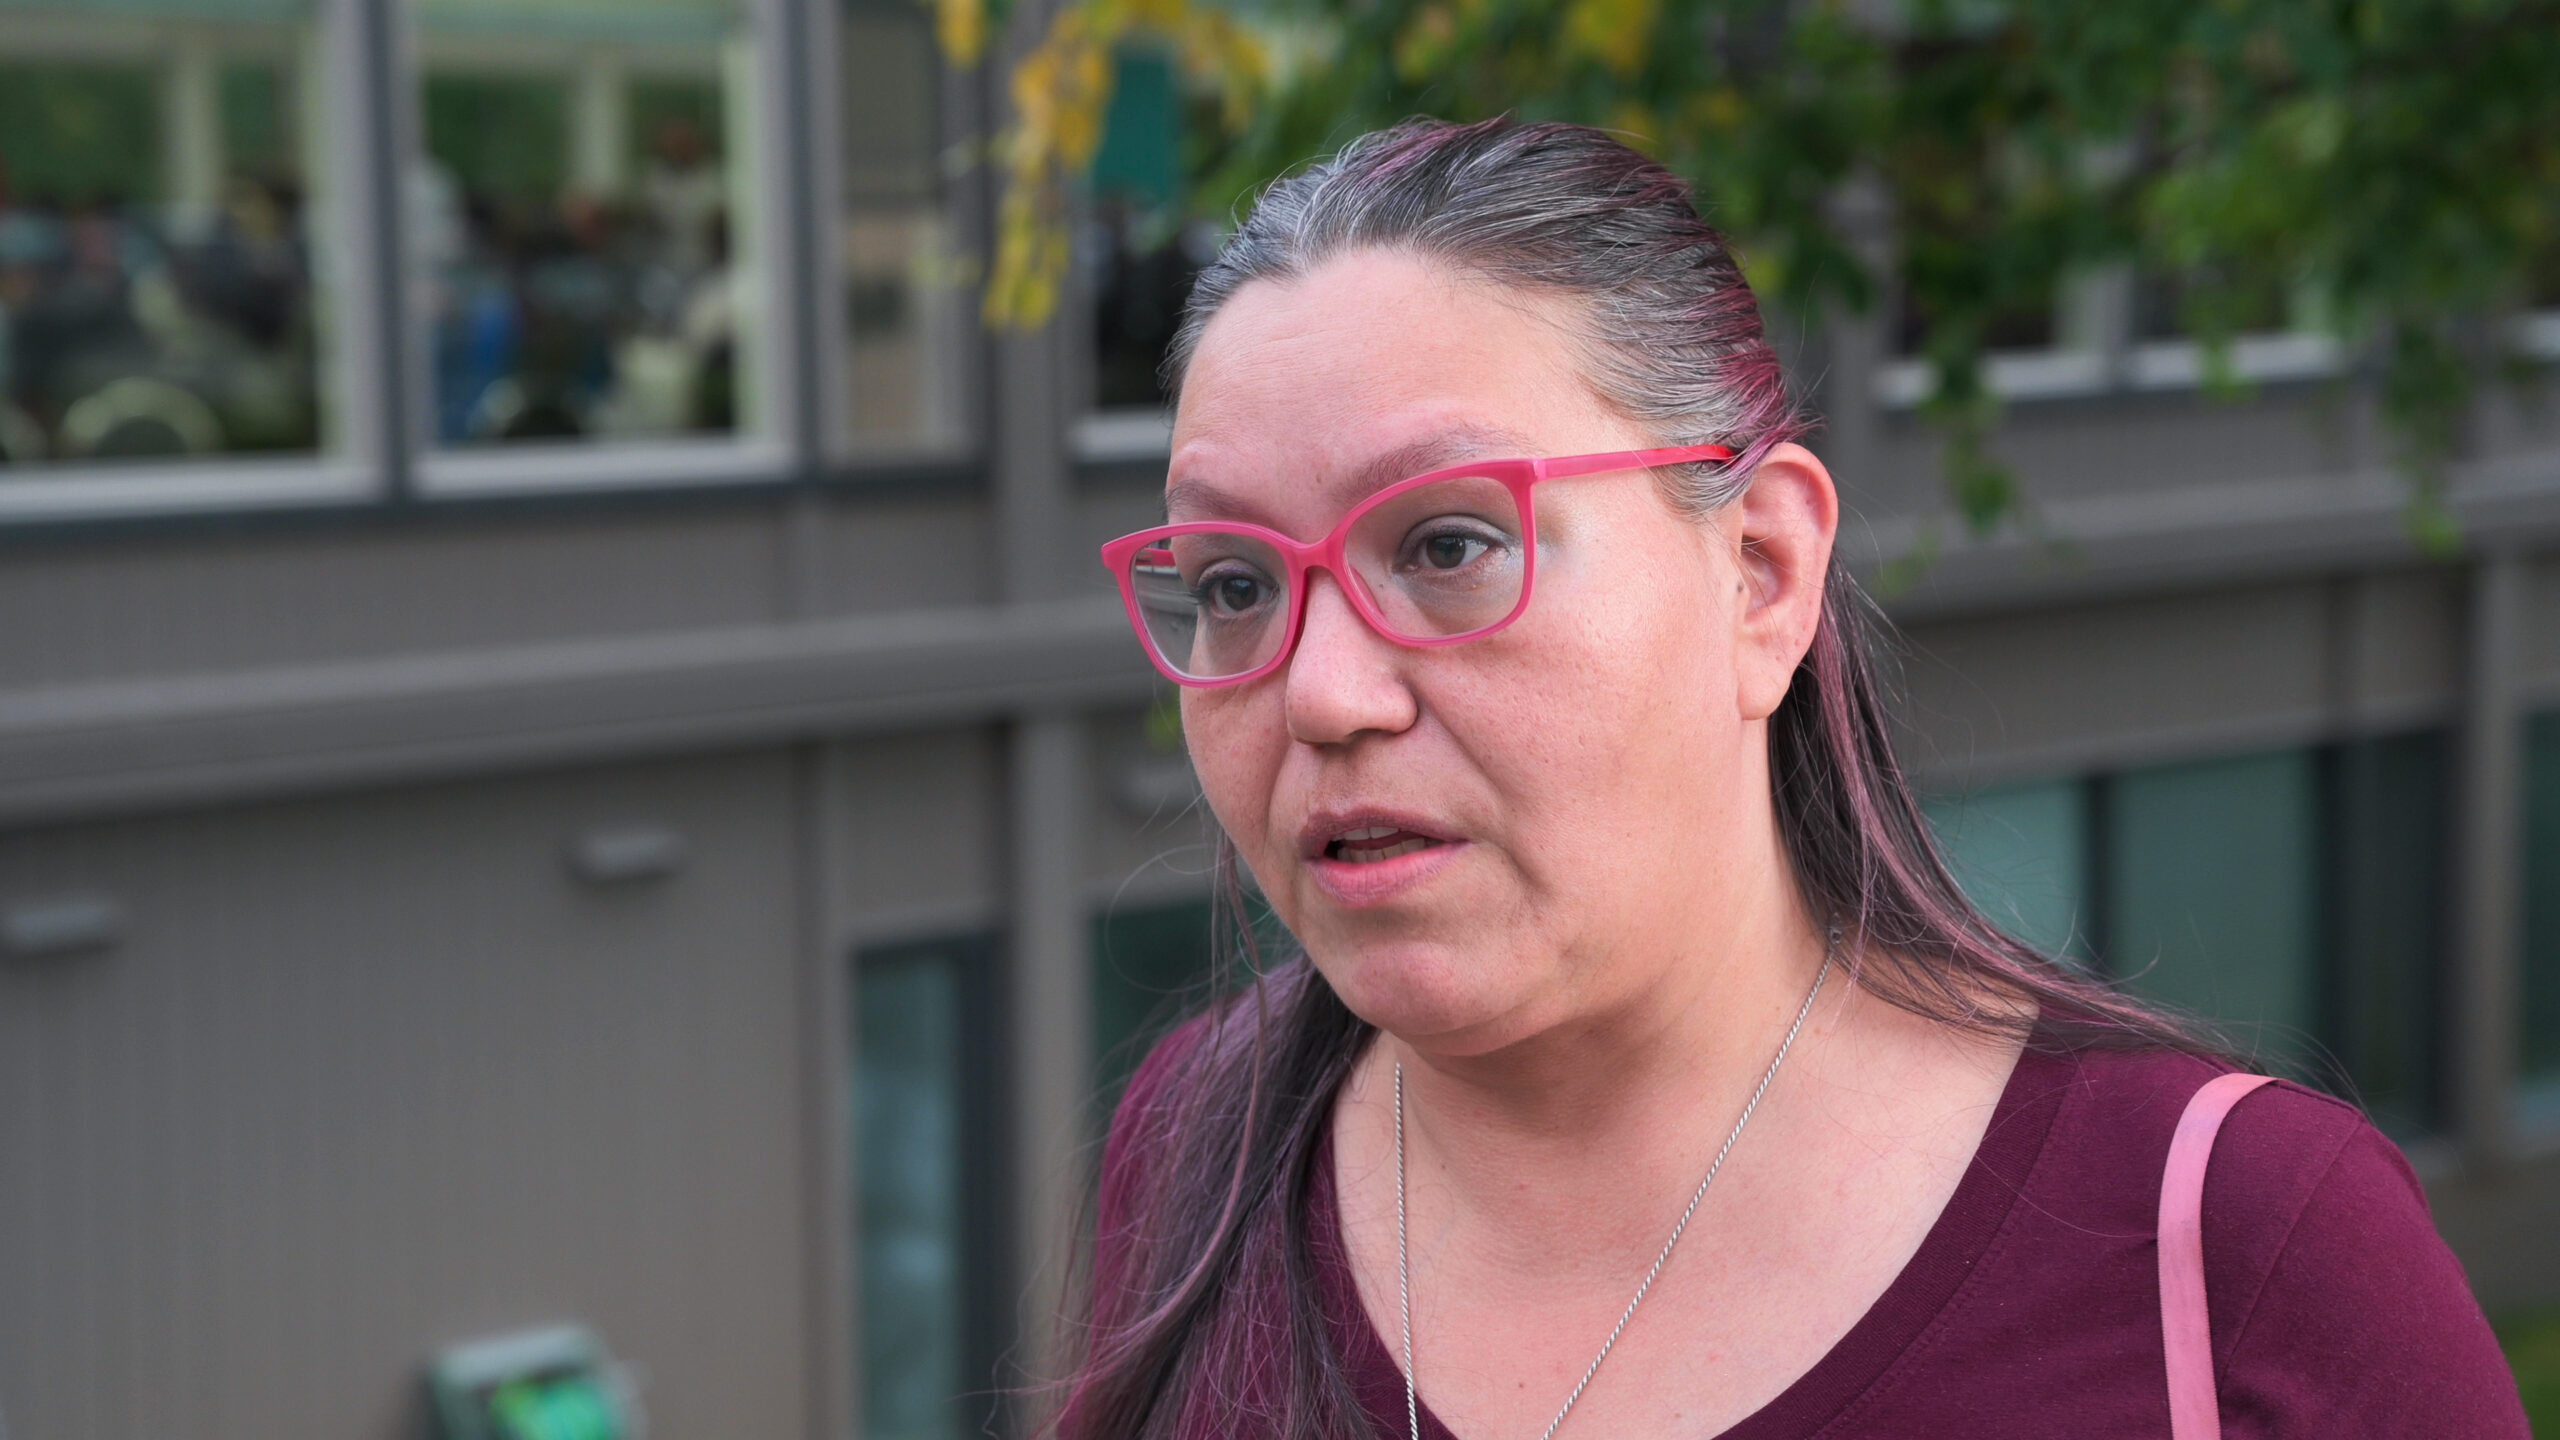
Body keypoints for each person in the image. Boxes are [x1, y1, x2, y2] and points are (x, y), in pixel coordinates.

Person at [1068, 119, 2526, 1440]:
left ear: (1761, 573)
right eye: (1235, 582)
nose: (1319, 692)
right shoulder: (1207, 1137)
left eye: (1451, 547)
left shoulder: (2240, 1258)